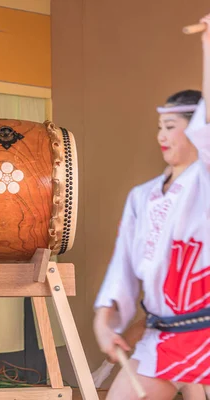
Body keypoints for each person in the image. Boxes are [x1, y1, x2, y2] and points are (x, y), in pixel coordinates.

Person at [93, 13, 210, 400]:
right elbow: (122, 270)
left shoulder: (205, 183)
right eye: (160, 127)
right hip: (160, 335)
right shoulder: (142, 197)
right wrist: (105, 321)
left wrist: (208, 47)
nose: (162, 135)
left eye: (172, 127)